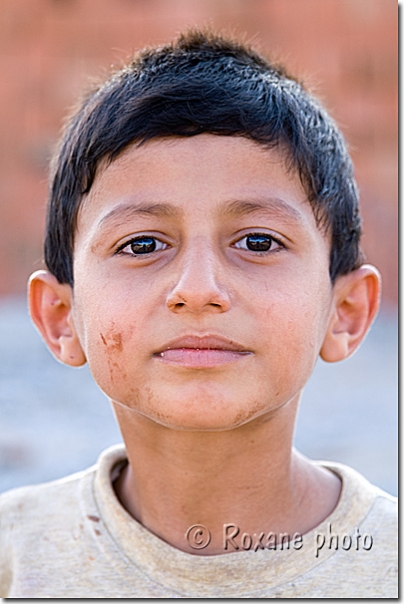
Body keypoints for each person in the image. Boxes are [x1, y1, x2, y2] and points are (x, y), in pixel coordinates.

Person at [0, 29, 397, 598]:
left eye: (258, 242)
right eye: (142, 244)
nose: (198, 289)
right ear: (62, 316)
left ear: (346, 311)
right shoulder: (15, 554)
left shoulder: (388, 563)